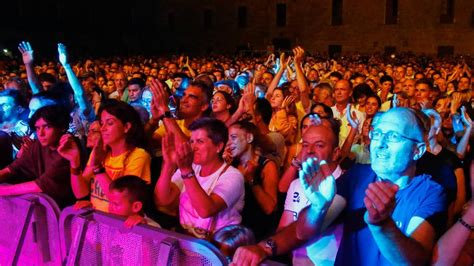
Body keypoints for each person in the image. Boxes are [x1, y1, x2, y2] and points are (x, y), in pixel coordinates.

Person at [232, 107, 448, 266]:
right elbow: (304, 230)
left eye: (392, 137)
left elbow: (417, 259)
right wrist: (264, 247)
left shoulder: (429, 191)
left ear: (417, 151)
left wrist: (382, 225)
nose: (380, 144)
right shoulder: (358, 177)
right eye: (377, 134)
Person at [154, 118, 244, 239]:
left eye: (200, 141)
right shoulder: (191, 167)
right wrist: (168, 165)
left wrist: (187, 171)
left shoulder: (233, 176)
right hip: (186, 238)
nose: (193, 147)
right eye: (191, 142)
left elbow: (206, 210)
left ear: (218, 146)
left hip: (216, 245)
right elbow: (163, 200)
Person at [58, 99, 151, 212]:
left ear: (126, 127)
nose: (103, 128)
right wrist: (74, 163)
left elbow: (119, 201)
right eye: (102, 123)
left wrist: (98, 168)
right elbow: (81, 193)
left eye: (110, 123)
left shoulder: (138, 155)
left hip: (117, 223)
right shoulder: (100, 152)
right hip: (99, 220)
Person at [277, 118, 345, 265]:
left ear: (335, 153)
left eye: (319, 145)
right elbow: (282, 229)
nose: (309, 150)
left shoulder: (347, 185)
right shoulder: (296, 184)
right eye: (305, 145)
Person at [0, 105, 76, 208]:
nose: (41, 133)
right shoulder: (40, 145)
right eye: (38, 128)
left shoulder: (69, 148)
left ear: (62, 127)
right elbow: (14, 168)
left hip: (66, 211)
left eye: (47, 127)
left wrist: (3, 191)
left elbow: (39, 185)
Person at [228, 121, 279, 241]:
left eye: (233, 137)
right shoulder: (231, 164)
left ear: (249, 138)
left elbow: (270, 208)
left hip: (255, 232)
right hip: (232, 230)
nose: (229, 143)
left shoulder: (267, 165)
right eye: (227, 138)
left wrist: (251, 179)